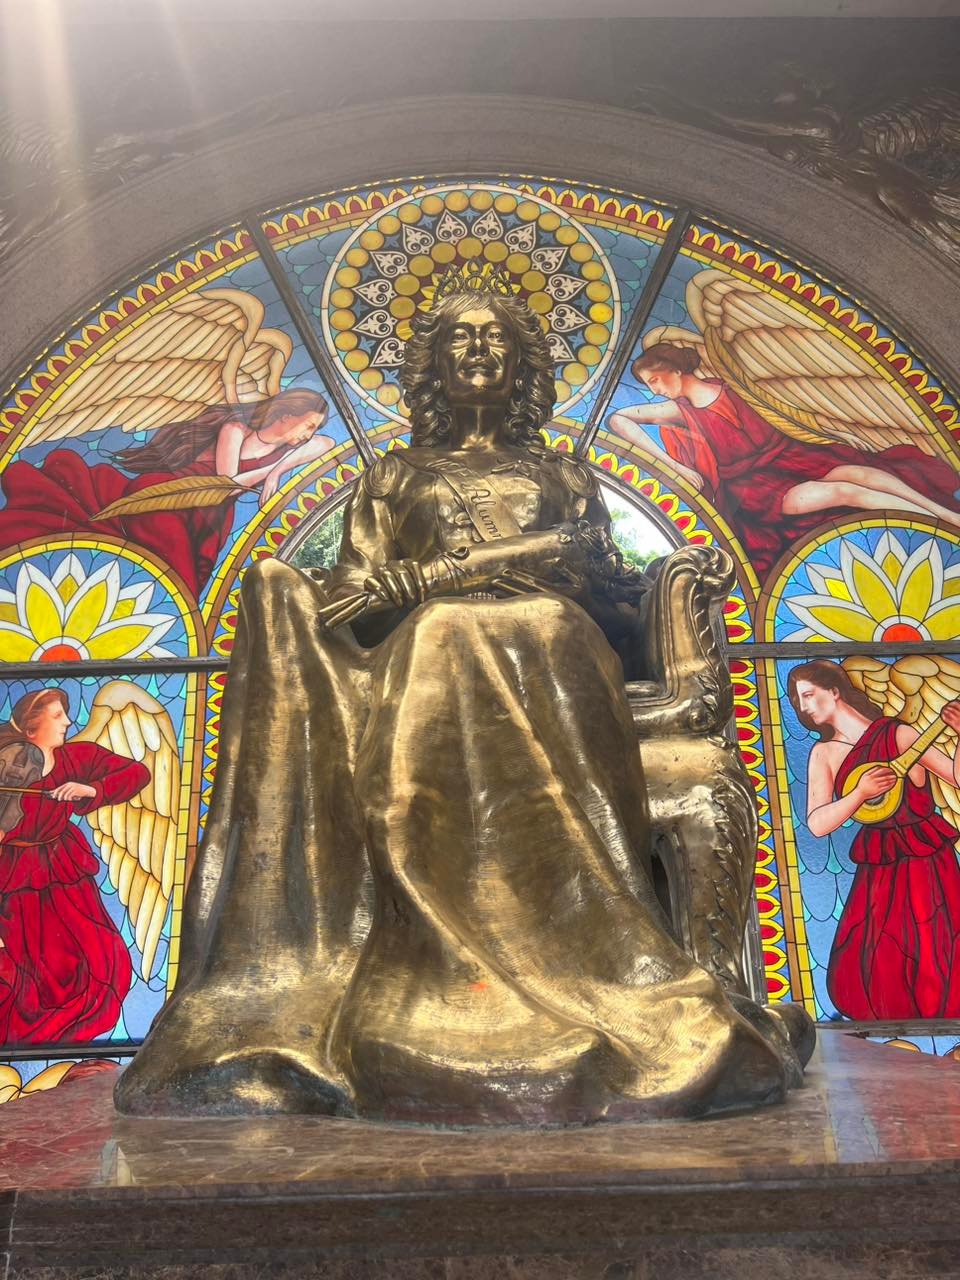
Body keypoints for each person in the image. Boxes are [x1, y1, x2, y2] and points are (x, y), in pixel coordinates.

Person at [116, 280, 807, 1124]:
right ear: (432, 369)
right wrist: (408, 585)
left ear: (522, 367)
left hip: (555, 647)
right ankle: (436, 968)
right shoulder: (393, 477)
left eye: (495, 338)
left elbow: (609, 590)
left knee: (512, 621)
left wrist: (552, 571)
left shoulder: (562, 475)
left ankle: (592, 955)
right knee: (441, 628)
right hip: (427, 655)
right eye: (459, 339)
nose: (478, 352)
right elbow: (357, 597)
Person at [609, 345, 960, 579]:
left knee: (859, 471)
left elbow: (785, 411)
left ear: (674, 369)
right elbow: (618, 419)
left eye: (655, 380)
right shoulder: (678, 411)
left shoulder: (730, 384)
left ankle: (943, 513)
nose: (654, 389)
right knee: (843, 490)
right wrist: (676, 467)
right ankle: (938, 524)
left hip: (791, 456)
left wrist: (832, 431)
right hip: (757, 490)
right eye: (649, 384)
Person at [0, 389, 331, 600]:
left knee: (191, 585)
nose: (309, 434)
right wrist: (271, 469)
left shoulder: (289, 450)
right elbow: (227, 484)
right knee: (178, 579)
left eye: (313, 428)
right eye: (309, 425)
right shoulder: (236, 430)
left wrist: (278, 470)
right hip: (168, 502)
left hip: (209, 522)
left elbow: (326, 444)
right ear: (286, 414)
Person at [788, 659, 960, 1020]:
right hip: (879, 864)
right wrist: (859, 794)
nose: (803, 707)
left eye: (808, 694)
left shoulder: (899, 735)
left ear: (834, 691)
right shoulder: (824, 754)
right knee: (882, 950)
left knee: (935, 941)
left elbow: (956, 777)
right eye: (797, 701)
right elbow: (817, 824)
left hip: (926, 857)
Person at [0, 689, 150, 1045]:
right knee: (35, 968)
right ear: (30, 727)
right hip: (17, 876)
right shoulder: (8, 762)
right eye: (57, 716)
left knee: (101, 952)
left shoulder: (78, 757)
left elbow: (138, 773)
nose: (68, 722)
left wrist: (90, 790)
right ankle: (30, 1043)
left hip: (63, 867)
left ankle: (78, 1035)